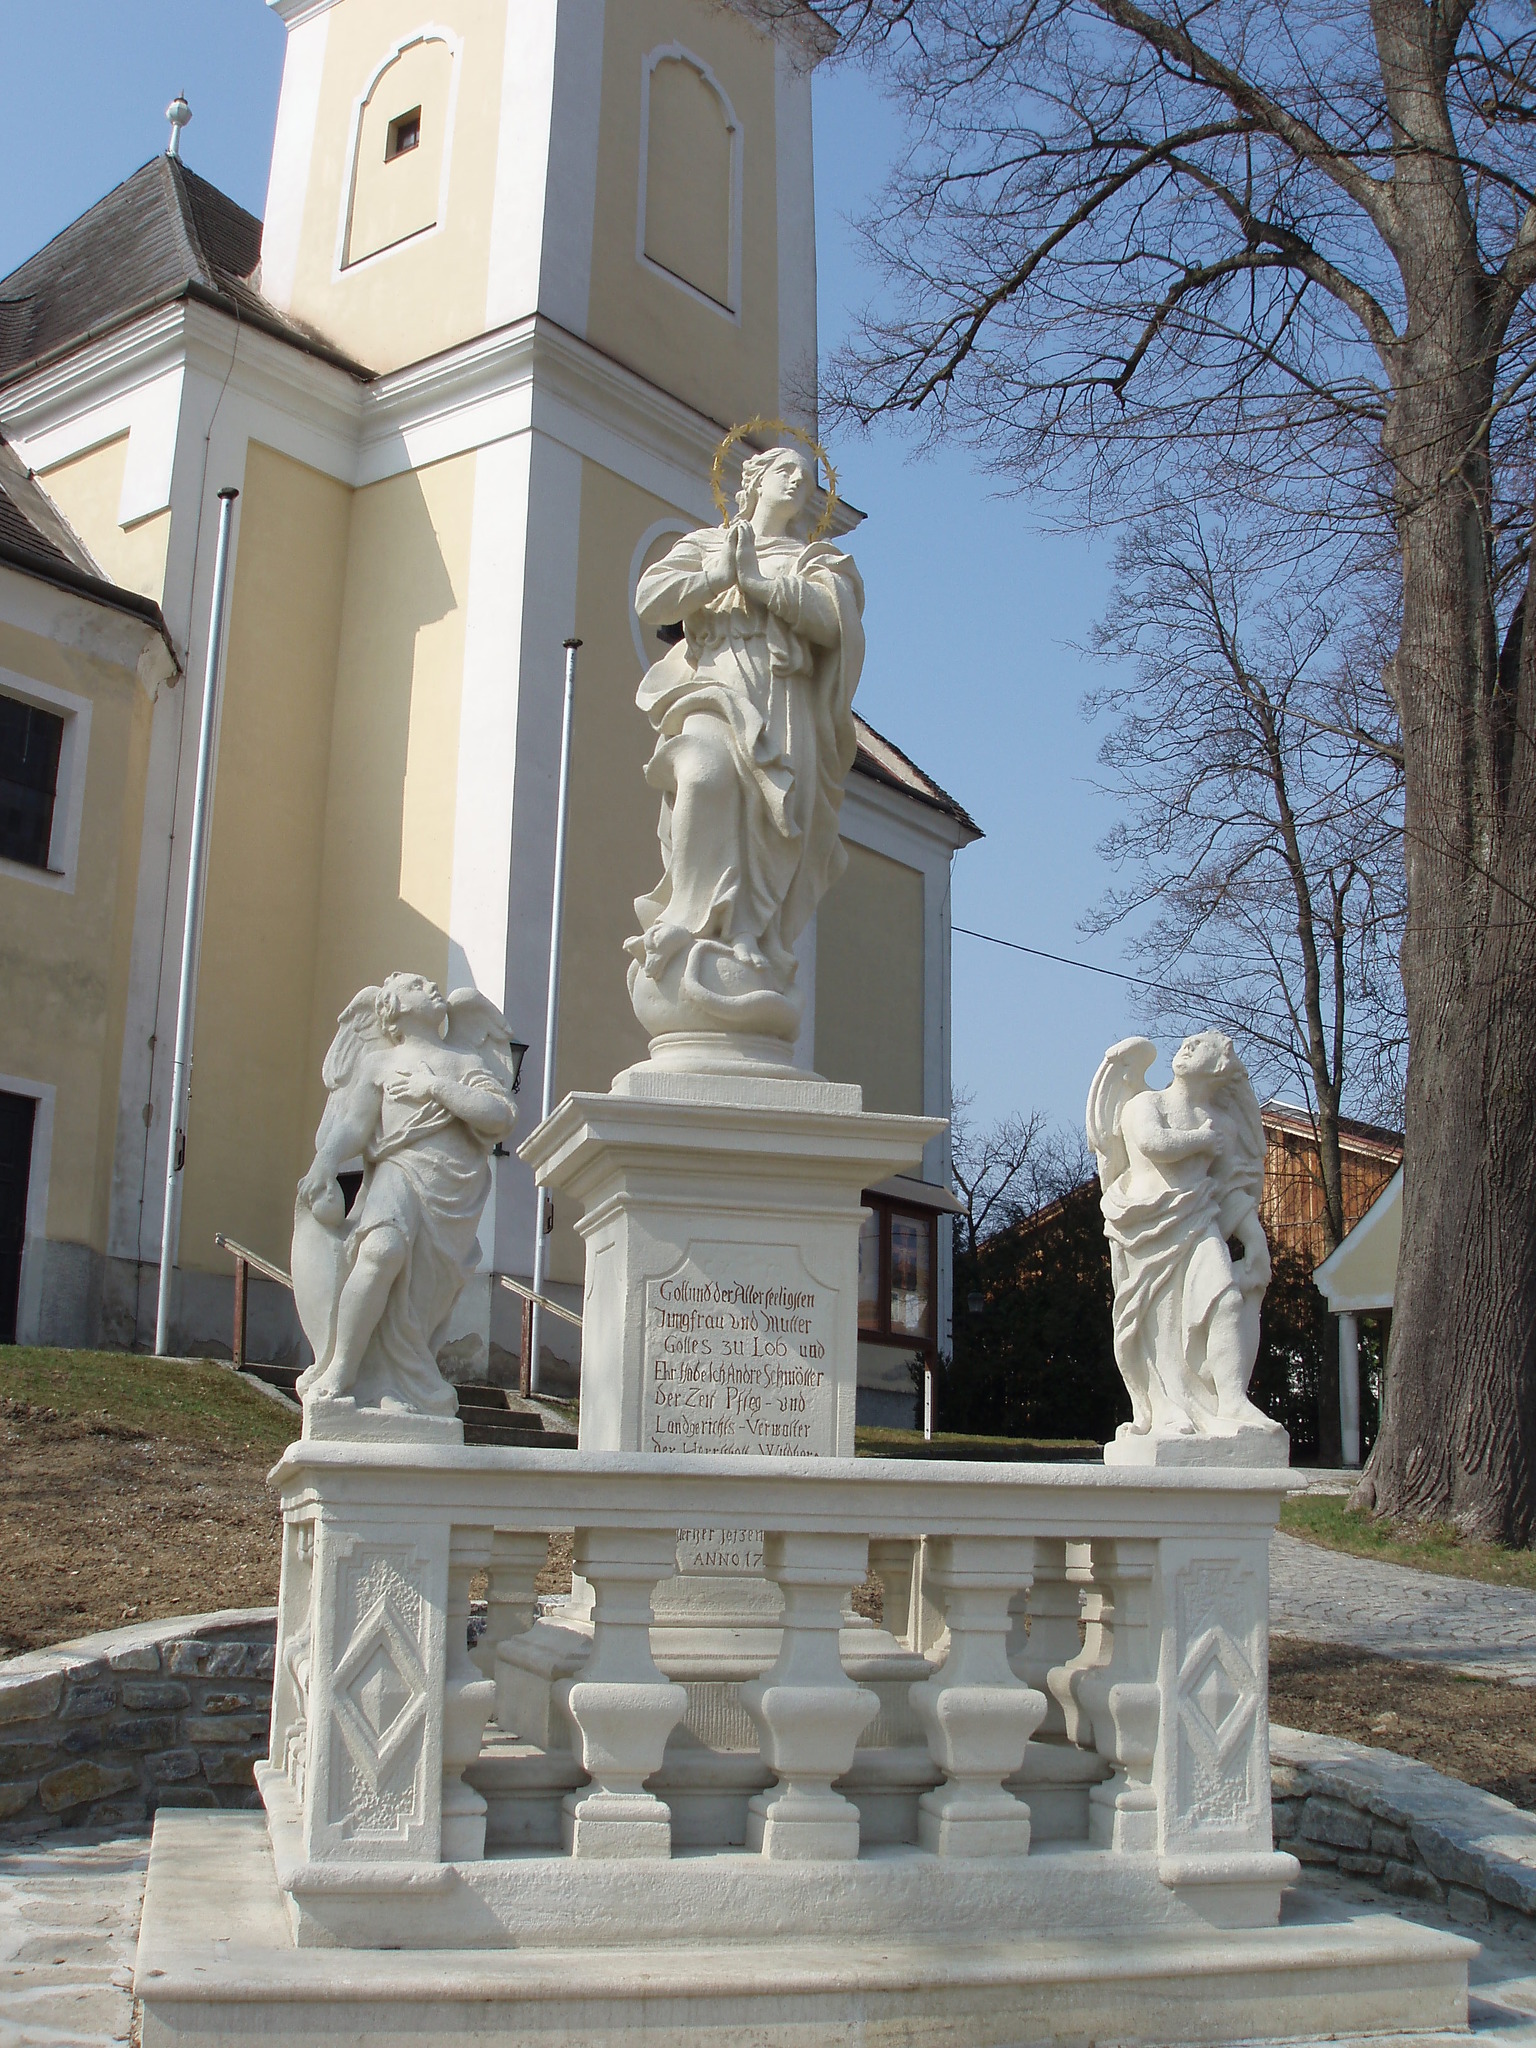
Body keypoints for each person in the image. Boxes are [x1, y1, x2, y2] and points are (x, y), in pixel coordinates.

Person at [629, 445, 865, 1043]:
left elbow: (835, 622)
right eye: (785, 472)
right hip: (717, 684)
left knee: (774, 821)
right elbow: (650, 598)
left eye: (807, 478)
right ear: (754, 482)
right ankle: (688, 919)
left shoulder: (819, 559)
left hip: (786, 700)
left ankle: (748, 937)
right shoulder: (710, 544)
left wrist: (760, 584)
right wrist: (719, 575)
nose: (798, 483)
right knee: (705, 776)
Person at [293, 974, 516, 1416]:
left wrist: (433, 1088)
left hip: (451, 1190)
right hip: (397, 1171)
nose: (432, 987)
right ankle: (342, 1366)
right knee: (380, 1252)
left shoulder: (463, 1058)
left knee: (419, 1295)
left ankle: (399, 1380)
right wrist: (325, 1161)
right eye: (417, 986)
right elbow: (355, 1127)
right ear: (392, 1009)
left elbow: (499, 1116)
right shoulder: (379, 1062)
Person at [1088, 1030, 1276, 1440]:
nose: (1187, 1046)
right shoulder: (1144, 1102)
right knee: (1158, 1323)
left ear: (1219, 1066)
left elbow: (1230, 1189)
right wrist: (1200, 1140)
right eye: (1187, 1043)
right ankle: (1165, 1406)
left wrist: (1254, 1236)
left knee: (1225, 1298)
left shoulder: (1225, 1124)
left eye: (1201, 1045)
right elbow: (1155, 1144)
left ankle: (1231, 1399)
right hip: (1144, 1226)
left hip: (1199, 1218)